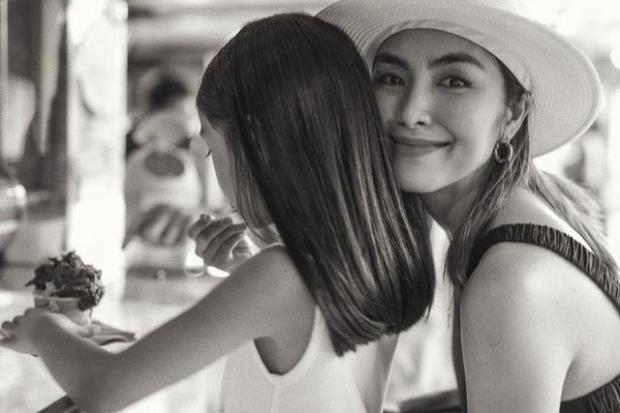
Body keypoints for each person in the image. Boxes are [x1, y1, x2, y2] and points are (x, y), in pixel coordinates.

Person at [0, 13, 435, 413]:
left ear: (256, 142)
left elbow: (104, 387)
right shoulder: (379, 251)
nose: (211, 167)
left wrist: (42, 329)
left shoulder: (281, 277)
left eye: (210, 147)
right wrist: (245, 267)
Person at [317, 0, 620, 412]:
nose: (410, 112)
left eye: (454, 81)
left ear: (513, 113)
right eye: (391, 78)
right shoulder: (504, 227)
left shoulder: (511, 278)